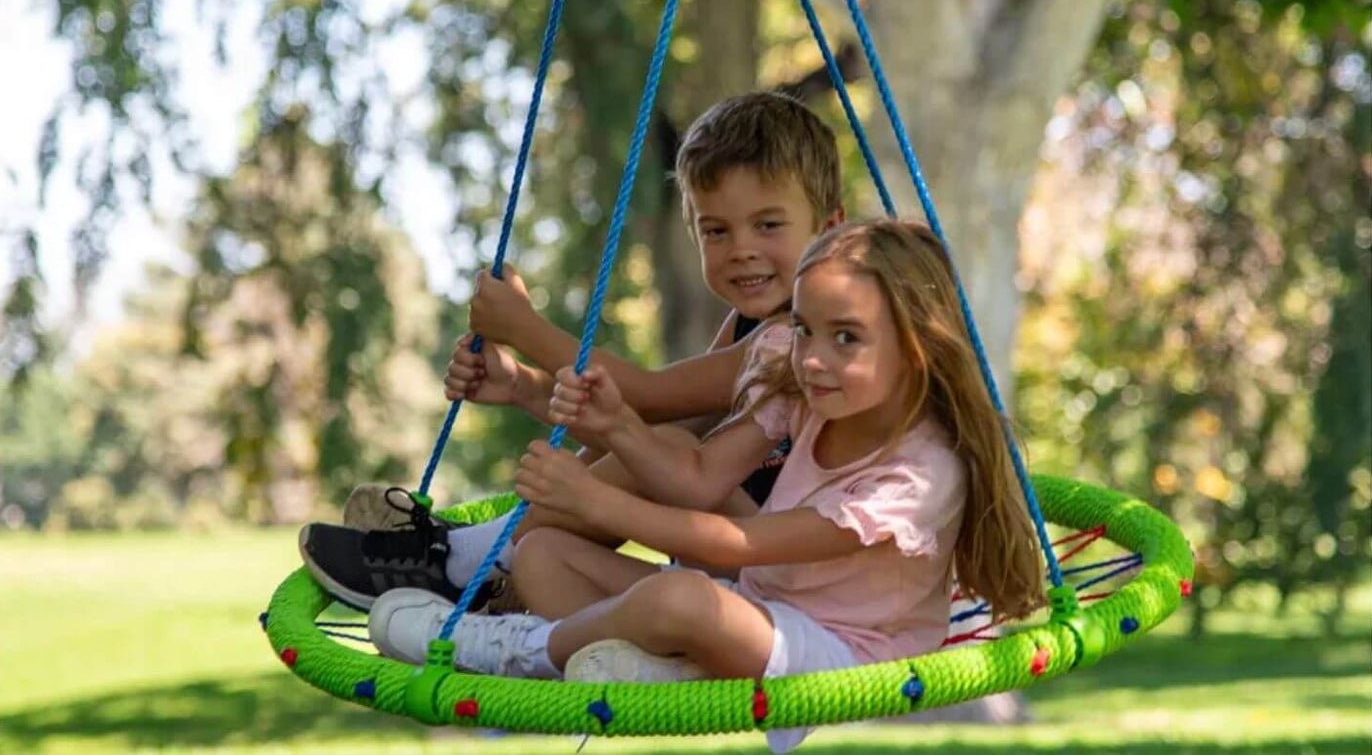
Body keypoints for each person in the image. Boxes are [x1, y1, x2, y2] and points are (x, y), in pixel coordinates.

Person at [366, 219, 1046, 752]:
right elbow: (696, 476)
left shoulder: (921, 472)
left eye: (846, 337)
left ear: (917, 344)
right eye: (804, 327)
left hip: (843, 654)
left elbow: (741, 539)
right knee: (545, 555)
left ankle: (508, 649)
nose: (812, 356)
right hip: (761, 607)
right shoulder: (803, 385)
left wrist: (595, 500)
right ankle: (663, 668)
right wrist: (619, 428)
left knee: (682, 599)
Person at [299, 90, 844, 610]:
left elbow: (650, 400)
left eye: (768, 225)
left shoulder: (796, 338)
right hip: (732, 561)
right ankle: (488, 564)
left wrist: (524, 329)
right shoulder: (751, 323)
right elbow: (633, 426)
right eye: (717, 231)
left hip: (779, 563)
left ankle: (460, 565)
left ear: (830, 227)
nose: (742, 250)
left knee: (663, 443)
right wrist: (522, 386)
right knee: (577, 520)